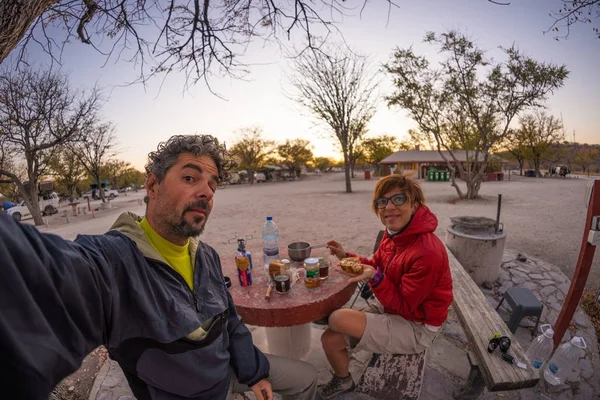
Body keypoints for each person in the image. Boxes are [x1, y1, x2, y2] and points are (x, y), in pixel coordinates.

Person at [0, 135, 317, 400]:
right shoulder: (114, 262)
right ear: (152, 186)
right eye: (190, 178)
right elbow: (40, 275)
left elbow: (230, 321)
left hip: (229, 372)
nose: (206, 191)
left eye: (212, 184)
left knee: (307, 378)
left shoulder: (205, 254)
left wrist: (255, 372)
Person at [319, 174, 453, 398]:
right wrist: (346, 256)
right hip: (393, 308)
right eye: (382, 201)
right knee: (329, 339)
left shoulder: (427, 251)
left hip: (418, 326)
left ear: (415, 204)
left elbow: (405, 305)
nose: (389, 207)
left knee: (336, 319)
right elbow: (374, 264)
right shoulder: (394, 235)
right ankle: (343, 381)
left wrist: (377, 279)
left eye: (399, 199)